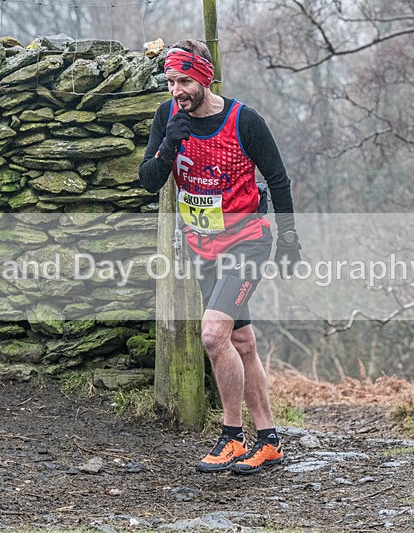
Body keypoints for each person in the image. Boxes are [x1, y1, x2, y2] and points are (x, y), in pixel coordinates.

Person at [139, 39, 301, 474]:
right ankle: (268, 441)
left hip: (247, 238)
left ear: (205, 77)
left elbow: (279, 181)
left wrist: (288, 240)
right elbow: (149, 181)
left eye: (185, 80)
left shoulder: (243, 120)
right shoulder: (167, 118)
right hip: (202, 245)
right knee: (241, 341)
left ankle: (231, 437)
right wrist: (168, 145)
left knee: (213, 335)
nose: (177, 90)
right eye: (171, 81)